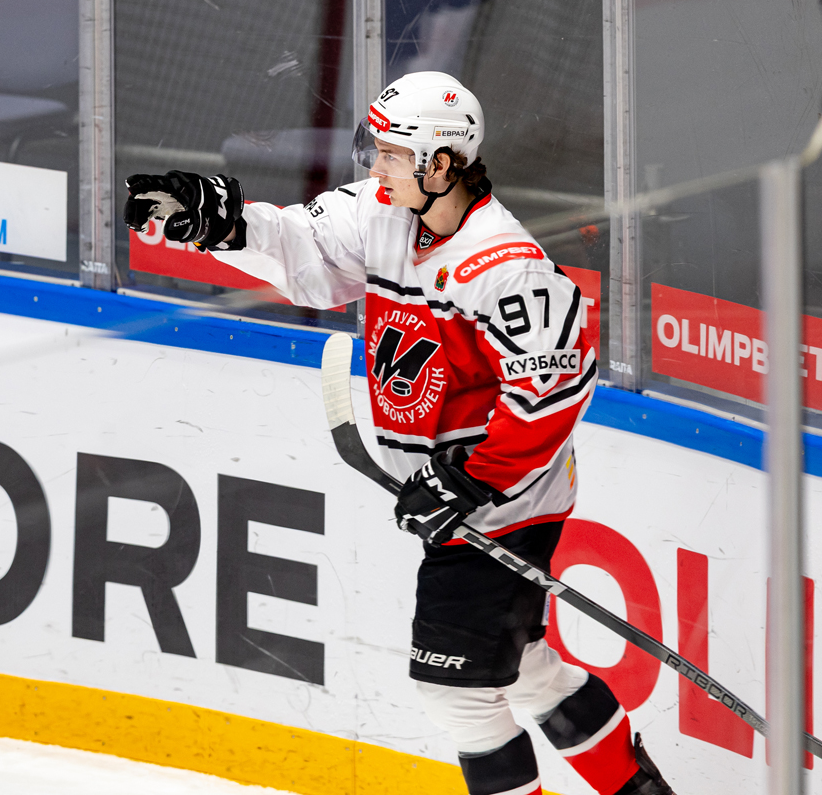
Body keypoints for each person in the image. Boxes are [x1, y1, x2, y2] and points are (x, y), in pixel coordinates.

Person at [123, 71, 675, 795]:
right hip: (458, 495)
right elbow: (306, 251)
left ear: (441, 164)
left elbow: (551, 392)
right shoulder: (384, 212)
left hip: (505, 504)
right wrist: (223, 225)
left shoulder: (504, 267)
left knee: (456, 693)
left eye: (391, 154)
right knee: (523, 668)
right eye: (375, 150)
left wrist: (469, 480)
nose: (375, 167)